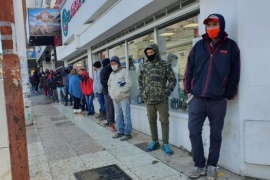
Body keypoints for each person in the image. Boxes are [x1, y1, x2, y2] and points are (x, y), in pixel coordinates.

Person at [183, 14, 240, 180]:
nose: (211, 28)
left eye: (214, 24)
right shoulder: (198, 46)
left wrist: (228, 94)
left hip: (217, 100)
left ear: (221, 25)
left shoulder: (230, 47)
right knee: (194, 132)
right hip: (197, 99)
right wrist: (189, 90)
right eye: (208, 25)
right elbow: (189, 69)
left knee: (215, 134)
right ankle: (199, 165)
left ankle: (212, 166)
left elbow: (235, 72)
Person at [138, 43, 176, 155]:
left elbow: (172, 80)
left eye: (151, 52)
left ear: (156, 52)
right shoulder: (143, 66)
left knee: (164, 121)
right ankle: (155, 141)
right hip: (148, 99)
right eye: (148, 53)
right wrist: (142, 93)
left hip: (161, 99)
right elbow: (140, 81)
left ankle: (165, 143)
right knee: (151, 121)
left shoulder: (164, 65)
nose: (149, 54)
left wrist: (166, 93)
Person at [108, 56, 133, 141]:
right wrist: (111, 95)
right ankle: (120, 131)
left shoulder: (124, 71)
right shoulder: (112, 74)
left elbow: (129, 84)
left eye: (114, 63)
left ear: (118, 63)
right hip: (115, 99)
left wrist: (120, 92)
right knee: (118, 115)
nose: (113, 65)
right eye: (111, 64)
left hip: (123, 97)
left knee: (126, 115)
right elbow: (109, 86)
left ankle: (128, 133)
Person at [100, 58, 117, 132]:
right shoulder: (103, 70)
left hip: (115, 91)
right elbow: (103, 81)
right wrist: (112, 82)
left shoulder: (114, 69)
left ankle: (111, 121)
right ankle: (111, 123)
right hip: (107, 92)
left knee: (113, 108)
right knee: (110, 109)